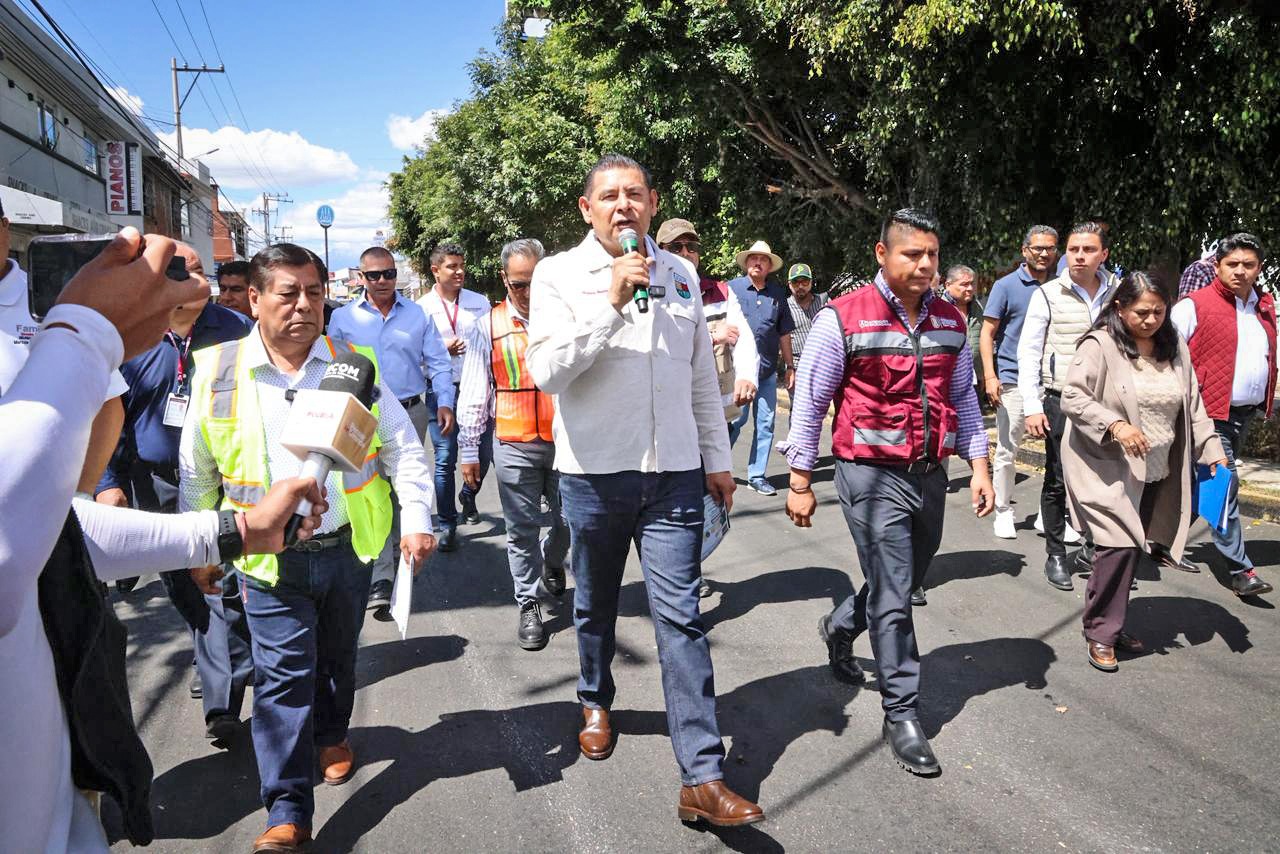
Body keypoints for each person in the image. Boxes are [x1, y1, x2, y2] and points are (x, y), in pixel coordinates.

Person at [0, 227, 324, 854]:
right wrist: (84, 337)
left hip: (58, 801)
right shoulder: (80, 341)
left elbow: (53, 528)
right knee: (206, 611)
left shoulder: (224, 339)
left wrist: (238, 530)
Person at [526, 154, 764, 827]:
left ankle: (702, 775)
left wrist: (718, 458)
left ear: (653, 203)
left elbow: (697, 380)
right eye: (609, 196)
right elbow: (547, 372)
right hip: (596, 475)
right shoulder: (557, 275)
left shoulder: (682, 274)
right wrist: (608, 305)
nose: (622, 206)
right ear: (586, 208)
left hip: (677, 476)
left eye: (634, 194)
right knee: (595, 604)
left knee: (682, 618)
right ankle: (595, 697)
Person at [179, 243, 438, 853]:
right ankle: (288, 812)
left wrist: (417, 518)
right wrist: (201, 544)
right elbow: (197, 474)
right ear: (254, 299)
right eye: (287, 293)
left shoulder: (353, 365)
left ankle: (333, 732)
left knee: (338, 661)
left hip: (347, 549)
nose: (302, 306)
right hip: (267, 561)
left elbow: (401, 447)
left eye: (314, 293)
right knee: (282, 679)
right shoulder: (216, 368)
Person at [781, 208, 993, 777]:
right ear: (882, 255)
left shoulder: (952, 319)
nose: (925, 265)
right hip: (868, 475)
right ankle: (902, 712)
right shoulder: (842, 319)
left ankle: (841, 624)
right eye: (912, 255)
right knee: (897, 596)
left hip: (929, 473)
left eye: (932, 255)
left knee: (901, 579)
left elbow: (964, 397)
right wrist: (800, 478)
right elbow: (812, 401)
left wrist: (980, 463)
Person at [94, 242, 253, 740]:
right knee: (187, 587)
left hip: (226, 481)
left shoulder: (237, 334)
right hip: (160, 485)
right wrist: (107, 482)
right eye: (182, 271)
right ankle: (221, 666)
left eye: (202, 272)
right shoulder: (132, 337)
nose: (195, 282)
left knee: (225, 585)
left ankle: (222, 698)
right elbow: (109, 417)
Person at [1062, 273, 1227, 671]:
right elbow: (1072, 396)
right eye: (1141, 312)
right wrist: (1115, 426)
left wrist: (1212, 450)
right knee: (1117, 547)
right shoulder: (1100, 345)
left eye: (1158, 311)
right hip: (1105, 465)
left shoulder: (1174, 348)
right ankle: (1100, 631)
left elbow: (1194, 406)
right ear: (1120, 308)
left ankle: (1112, 623)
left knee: (1134, 546)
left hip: (1157, 465)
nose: (1150, 319)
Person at [456, 238, 569, 650]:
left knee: (569, 521)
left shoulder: (564, 318)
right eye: (520, 284)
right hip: (513, 442)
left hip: (566, 442)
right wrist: (470, 450)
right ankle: (528, 602)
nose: (529, 292)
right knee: (520, 531)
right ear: (505, 280)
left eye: (536, 281)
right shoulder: (486, 325)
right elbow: (473, 390)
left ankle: (552, 561)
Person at [327, 246, 454, 611]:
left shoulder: (417, 315)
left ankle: (403, 564)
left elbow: (438, 362)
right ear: (360, 278)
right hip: (361, 418)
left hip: (411, 413)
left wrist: (444, 400)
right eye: (373, 275)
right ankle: (382, 577)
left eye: (388, 274)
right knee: (372, 491)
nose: (382, 281)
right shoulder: (343, 320)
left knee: (405, 492)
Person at [656, 217, 758, 598]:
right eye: (676, 247)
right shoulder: (650, 292)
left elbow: (743, 336)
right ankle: (681, 571)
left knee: (705, 494)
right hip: (672, 420)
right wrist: (713, 334)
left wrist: (747, 374)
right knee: (687, 497)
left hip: (719, 413)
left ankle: (687, 566)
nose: (686, 254)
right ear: (660, 252)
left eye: (691, 247)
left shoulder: (718, 291)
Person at [1171, 232, 1276, 596]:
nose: (1240, 271)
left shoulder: (1265, 305)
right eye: (1232, 264)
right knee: (1223, 481)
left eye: (1248, 265)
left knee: (1195, 483)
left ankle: (1151, 536)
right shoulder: (1193, 305)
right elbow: (1166, 355)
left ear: (1258, 268)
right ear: (1217, 266)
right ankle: (1240, 569)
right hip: (1207, 413)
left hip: (1244, 414)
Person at [1018, 222, 1115, 591]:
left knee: (1104, 479)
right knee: (1058, 479)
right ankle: (1056, 553)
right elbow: (1029, 351)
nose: (1079, 256)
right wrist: (1032, 405)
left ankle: (1094, 548)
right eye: (1073, 249)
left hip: (1107, 404)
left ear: (1103, 255)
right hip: (1061, 401)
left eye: (1088, 250)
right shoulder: (1047, 294)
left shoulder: (1118, 294)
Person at [980, 225, 1059, 540]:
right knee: (1008, 449)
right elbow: (987, 333)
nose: (1043, 253)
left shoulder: (1061, 287)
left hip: (1051, 382)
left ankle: (1047, 515)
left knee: (1056, 453)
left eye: (1049, 248)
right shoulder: (1005, 286)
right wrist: (989, 376)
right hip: (1012, 379)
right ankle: (1003, 510)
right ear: (1025, 250)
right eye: (1037, 248)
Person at [416, 243, 492, 547]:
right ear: (436, 270)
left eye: (462, 265)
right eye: (452, 266)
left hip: (477, 389)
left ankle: (469, 495)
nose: (460, 271)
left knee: (483, 456)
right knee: (445, 459)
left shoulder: (479, 302)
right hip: (441, 391)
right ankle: (447, 524)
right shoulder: (421, 308)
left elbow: (490, 343)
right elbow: (415, 357)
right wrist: (440, 353)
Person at [727, 240, 796, 495]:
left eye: (763, 259)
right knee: (734, 421)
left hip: (766, 372)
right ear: (747, 263)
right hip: (738, 373)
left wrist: (790, 366)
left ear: (769, 267)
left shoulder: (778, 295)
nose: (757, 262)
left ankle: (757, 475)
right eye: (753, 258)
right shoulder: (731, 290)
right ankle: (716, 468)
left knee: (765, 424)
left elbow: (784, 333)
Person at [784, 262, 828, 372]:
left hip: (824, 364)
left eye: (805, 281)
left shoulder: (824, 302)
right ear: (789, 284)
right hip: (798, 366)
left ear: (811, 282)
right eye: (795, 282)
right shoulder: (784, 308)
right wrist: (790, 369)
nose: (800, 286)